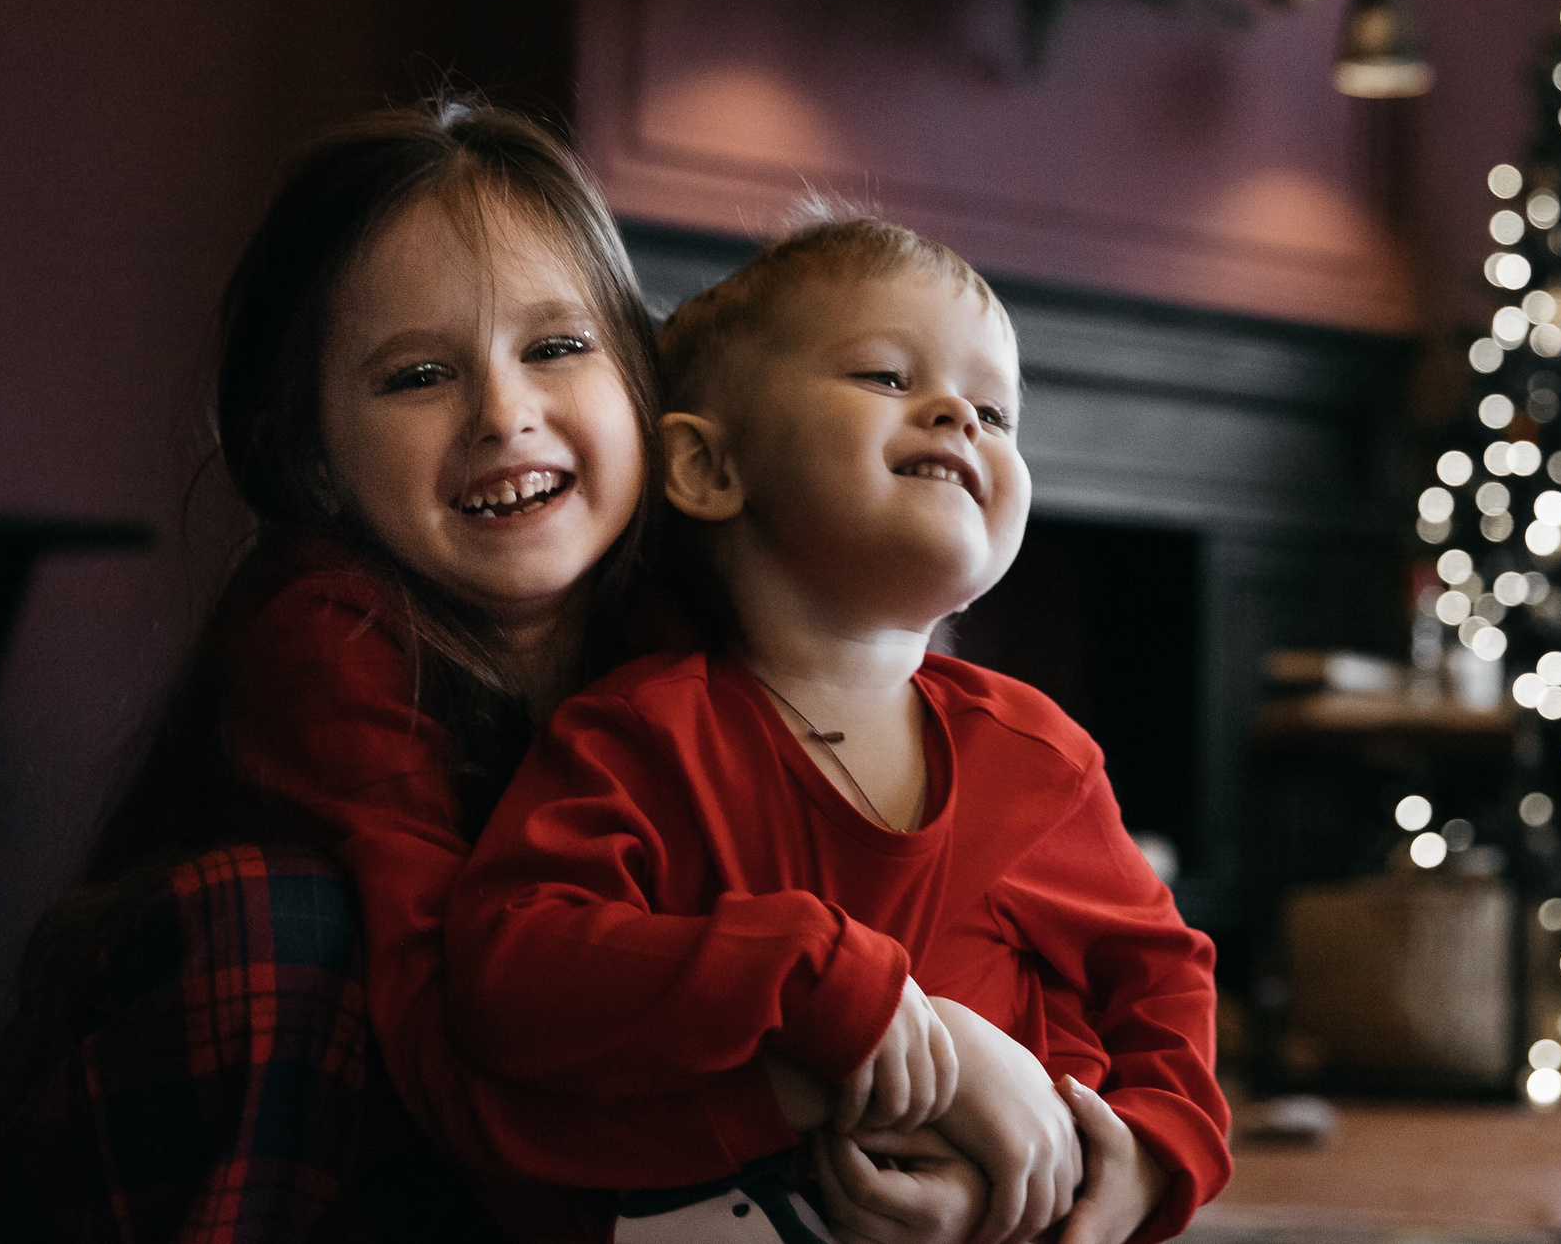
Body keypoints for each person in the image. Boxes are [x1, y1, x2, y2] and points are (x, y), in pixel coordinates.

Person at [0, 103, 1054, 1243]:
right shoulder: (326, 642)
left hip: (566, 1169)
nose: (503, 415)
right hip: (345, 1140)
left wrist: (1086, 1147)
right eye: (418, 374)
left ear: (647, 389)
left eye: (559, 347)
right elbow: (447, 1043)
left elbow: (952, 933)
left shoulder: (710, 623)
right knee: (276, 921)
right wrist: (814, 1081)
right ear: (312, 457)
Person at [441, 217, 1232, 1244]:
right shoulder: (641, 736)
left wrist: (1148, 1157)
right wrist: (803, 972)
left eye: (996, 411)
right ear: (707, 468)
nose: (960, 416)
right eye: (886, 378)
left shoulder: (1038, 759)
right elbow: (512, 965)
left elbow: (1161, 978)